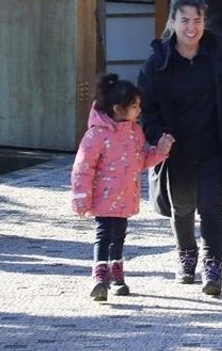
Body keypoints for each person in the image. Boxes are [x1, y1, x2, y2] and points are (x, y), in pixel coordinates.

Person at [138, 0, 222, 297]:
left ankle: (213, 266)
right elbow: (147, 109)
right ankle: (187, 254)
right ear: (172, 22)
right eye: (184, 20)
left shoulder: (219, 56)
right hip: (175, 151)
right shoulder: (157, 63)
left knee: (211, 206)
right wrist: (158, 135)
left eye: (197, 20)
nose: (191, 27)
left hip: (214, 145)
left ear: (204, 22)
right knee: (182, 207)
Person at [71, 74, 174, 301]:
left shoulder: (134, 132)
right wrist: (81, 197)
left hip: (126, 197)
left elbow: (140, 161)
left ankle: (117, 276)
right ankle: (100, 277)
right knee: (103, 235)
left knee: (119, 236)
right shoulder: (96, 135)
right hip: (103, 199)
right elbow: (83, 167)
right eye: (134, 106)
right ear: (118, 109)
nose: (139, 111)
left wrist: (161, 151)